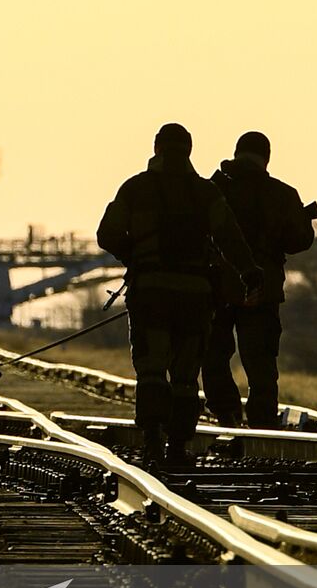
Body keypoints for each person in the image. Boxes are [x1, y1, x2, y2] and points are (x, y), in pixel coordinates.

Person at [97, 123, 263, 464]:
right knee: (186, 375)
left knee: (152, 369)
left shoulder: (135, 188)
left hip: (151, 294)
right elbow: (230, 237)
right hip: (194, 296)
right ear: (188, 150)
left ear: (157, 148)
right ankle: (177, 445)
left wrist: (135, 256)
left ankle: (153, 440)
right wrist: (249, 271)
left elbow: (107, 234)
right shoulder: (205, 193)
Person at [201, 131, 316, 428]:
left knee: (214, 355)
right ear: (266, 158)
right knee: (261, 363)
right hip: (262, 291)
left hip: (216, 289)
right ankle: (263, 424)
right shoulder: (282, 194)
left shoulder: (211, 190)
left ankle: (226, 413)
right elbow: (300, 241)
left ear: (237, 153)